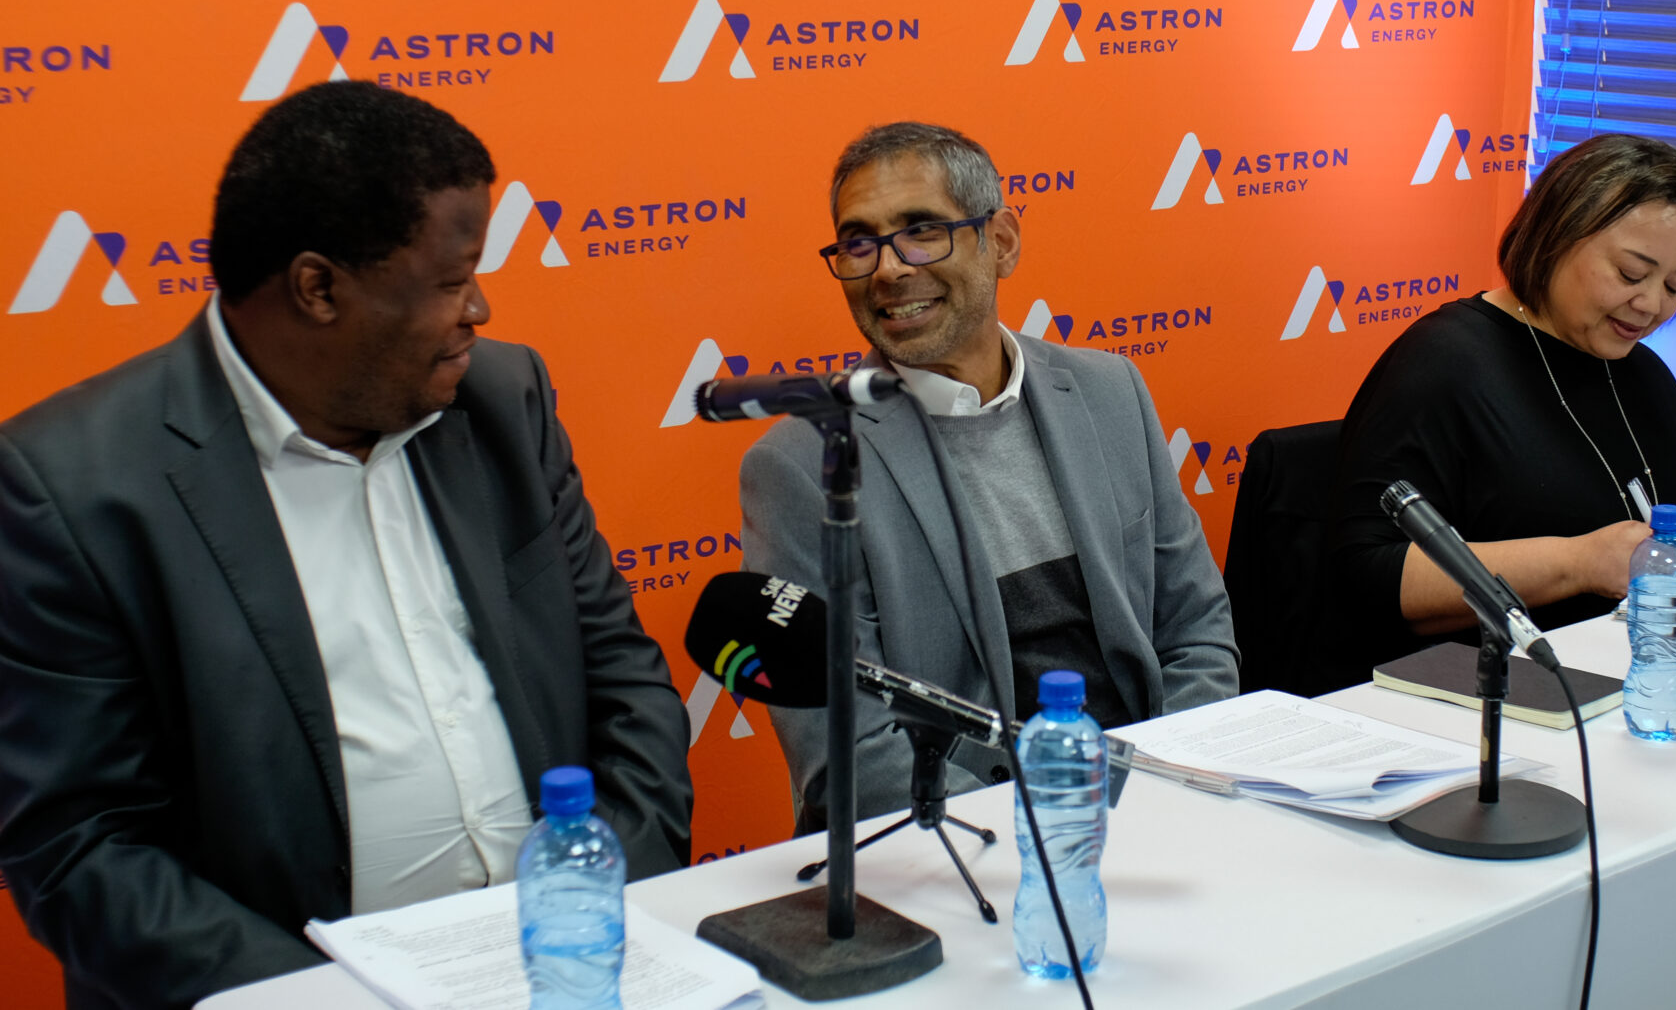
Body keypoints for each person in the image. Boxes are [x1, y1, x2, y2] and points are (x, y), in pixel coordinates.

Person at [0, 83, 694, 1010]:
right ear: (318, 288)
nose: (479, 307)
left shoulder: (503, 399)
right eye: (449, 282)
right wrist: (332, 1000)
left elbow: (624, 678)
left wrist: (600, 912)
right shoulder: (74, 485)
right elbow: (79, 846)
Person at [739, 121, 1238, 829]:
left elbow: (1197, 628)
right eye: (859, 243)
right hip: (961, 845)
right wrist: (1036, 834)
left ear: (1000, 240)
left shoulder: (1110, 391)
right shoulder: (799, 467)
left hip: (1159, 806)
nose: (887, 269)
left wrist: (1165, 785)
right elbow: (849, 748)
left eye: (921, 231)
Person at [1311, 133, 1676, 690]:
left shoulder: (1645, 374)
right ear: (1556, 237)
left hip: (1637, 681)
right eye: (1631, 274)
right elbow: (1368, 576)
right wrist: (1577, 563)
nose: (1651, 305)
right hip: (1484, 692)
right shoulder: (1444, 363)